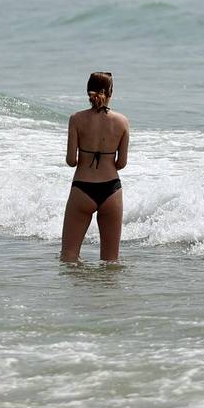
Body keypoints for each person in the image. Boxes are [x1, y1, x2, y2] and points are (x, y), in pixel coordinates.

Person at [60, 71, 129, 264]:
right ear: (110, 92)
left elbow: (71, 161)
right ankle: (104, 294)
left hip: (83, 187)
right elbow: (121, 163)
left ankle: (77, 293)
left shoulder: (76, 119)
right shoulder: (122, 122)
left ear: (88, 91)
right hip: (111, 190)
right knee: (110, 260)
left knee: (69, 257)